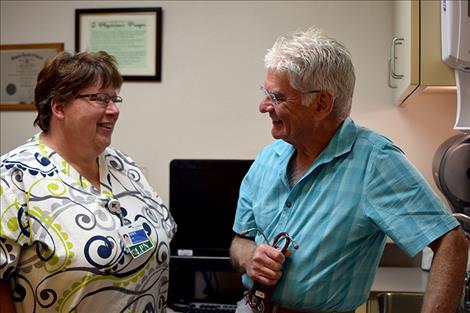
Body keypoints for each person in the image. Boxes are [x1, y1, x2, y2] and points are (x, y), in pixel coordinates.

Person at [230, 27, 468, 313]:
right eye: (266, 94)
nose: (263, 106)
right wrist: (250, 256)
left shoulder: (375, 161)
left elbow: (452, 245)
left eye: (278, 97)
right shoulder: (268, 159)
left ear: (321, 103)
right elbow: (239, 240)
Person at [0, 51, 176, 313]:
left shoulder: (123, 166)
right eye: (100, 98)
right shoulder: (14, 178)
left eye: (115, 98)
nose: (114, 110)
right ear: (58, 106)